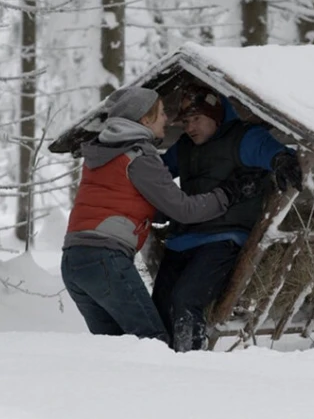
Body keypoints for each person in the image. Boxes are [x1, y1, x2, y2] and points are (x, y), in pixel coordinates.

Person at [61, 87, 262, 344]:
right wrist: (228, 193)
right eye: (162, 113)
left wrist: (160, 212)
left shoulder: (101, 155)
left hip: (73, 262)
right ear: (145, 120)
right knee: (152, 343)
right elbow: (184, 210)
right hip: (106, 261)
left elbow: (124, 203)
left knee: (114, 347)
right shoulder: (139, 155)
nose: (168, 119)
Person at [152, 88, 303, 352]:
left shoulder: (241, 138)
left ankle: (189, 364)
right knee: (160, 305)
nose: (189, 127)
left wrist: (281, 160)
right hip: (182, 240)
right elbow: (156, 173)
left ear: (215, 115)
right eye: (185, 122)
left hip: (223, 240)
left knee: (186, 300)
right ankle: (159, 364)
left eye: (196, 119)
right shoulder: (184, 148)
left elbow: (269, 150)